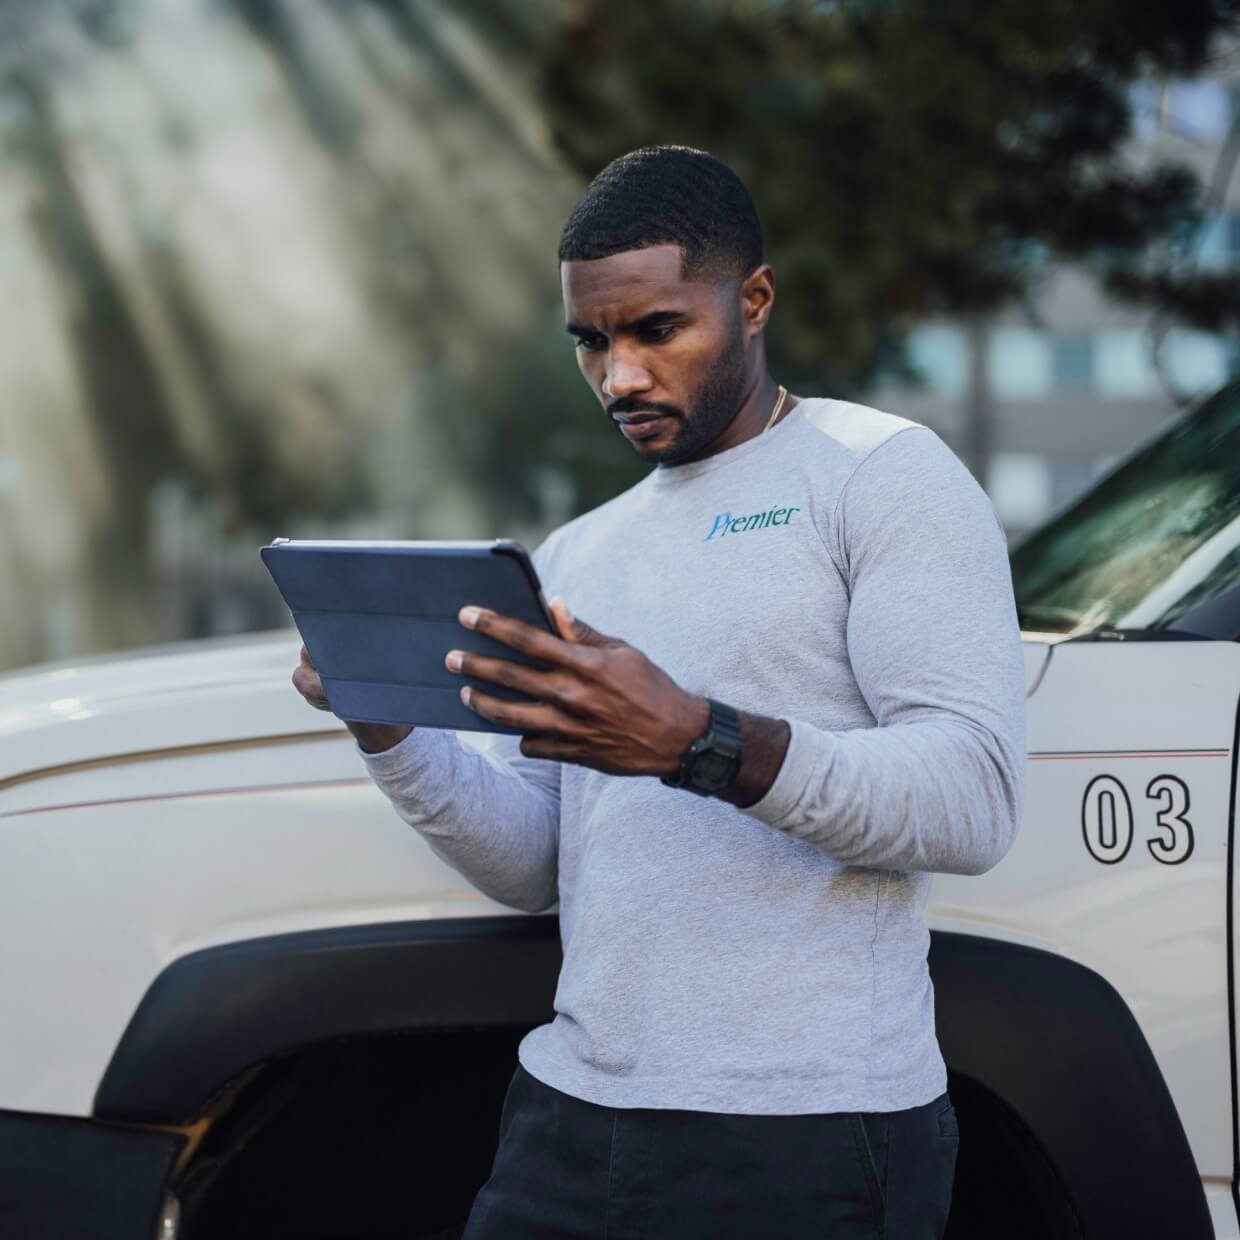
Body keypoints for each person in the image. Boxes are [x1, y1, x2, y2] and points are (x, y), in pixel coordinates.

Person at [292, 145, 1026, 1238]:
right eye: (591, 340)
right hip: (569, 1115)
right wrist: (387, 726)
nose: (619, 375)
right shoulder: (583, 550)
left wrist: (697, 737)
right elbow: (543, 861)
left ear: (754, 299)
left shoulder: (880, 473)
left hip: (808, 1133)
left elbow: (970, 800)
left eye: (655, 331)